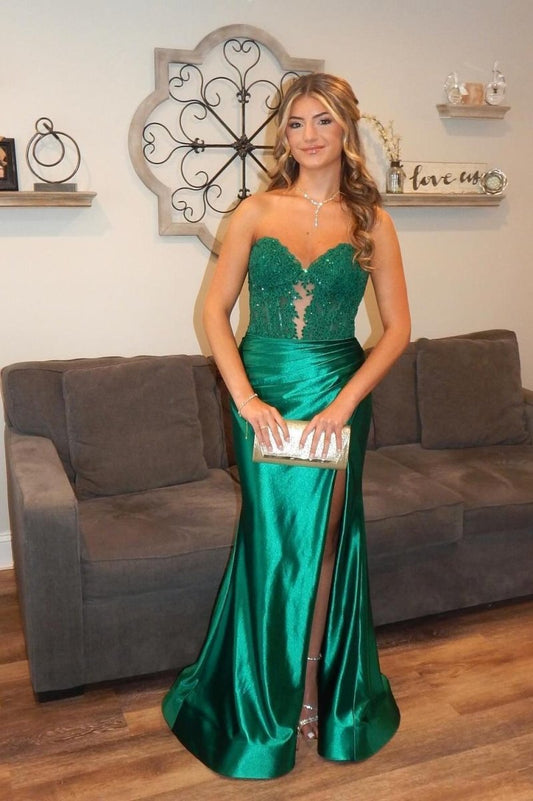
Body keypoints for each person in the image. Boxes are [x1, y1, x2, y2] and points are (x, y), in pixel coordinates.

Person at [162, 72, 410, 780]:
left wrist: (345, 403)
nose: (308, 135)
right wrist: (245, 400)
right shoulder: (254, 211)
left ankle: (311, 688)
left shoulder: (373, 222)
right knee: (270, 544)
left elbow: (397, 330)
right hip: (263, 393)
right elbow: (214, 313)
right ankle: (253, 696)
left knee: (328, 541)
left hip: (337, 390)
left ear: (345, 130)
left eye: (322, 121)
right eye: (296, 123)